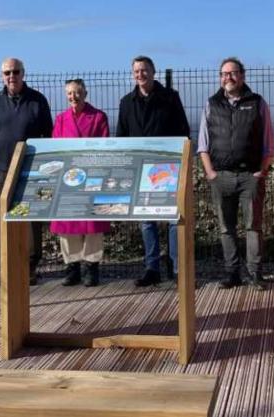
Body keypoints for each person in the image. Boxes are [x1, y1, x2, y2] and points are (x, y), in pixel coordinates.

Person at [197, 57, 274, 291]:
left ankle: (255, 274)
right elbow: (203, 142)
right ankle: (232, 274)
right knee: (225, 228)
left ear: (242, 75)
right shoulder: (211, 104)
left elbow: (268, 143)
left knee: (253, 227)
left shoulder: (257, 102)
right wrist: (210, 172)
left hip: (250, 176)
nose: (227, 78)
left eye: (232, 73)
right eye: (223, 74)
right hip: (221, 177)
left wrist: (261, 171)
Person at [116, 55, 190, 287]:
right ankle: (152, 268)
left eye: (145, 70)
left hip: (167, 169)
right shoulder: (126, 102)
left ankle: (177, 269)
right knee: (147, 221)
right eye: (137, 71)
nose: (141, 74)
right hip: (140, 170)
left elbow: (183, 131)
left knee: (172, 220)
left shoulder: (170, 98)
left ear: (153, 71)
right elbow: (121, 137)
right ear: (133, 74)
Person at [0, 58, 53, 286]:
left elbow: (48, 136)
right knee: (1, 220)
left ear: (23, 73)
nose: (12, 76)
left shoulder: (38, 100)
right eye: (7, 72)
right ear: (2, 76)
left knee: (31, 220)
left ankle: (30, 267)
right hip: (1, 172)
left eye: (16, 72)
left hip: (31, 171)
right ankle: (4, 268)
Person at [50, 79, 111, 287]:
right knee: (67, 225)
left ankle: (91, 268)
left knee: (92, 224)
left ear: (85, 93)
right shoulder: (60, 119)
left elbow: (104, 146)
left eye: (77, 92)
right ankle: (72, 267)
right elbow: (56, 149)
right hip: (68, 178)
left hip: (92, 176)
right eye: (69, 93)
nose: (73, 97)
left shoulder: (98, 117)